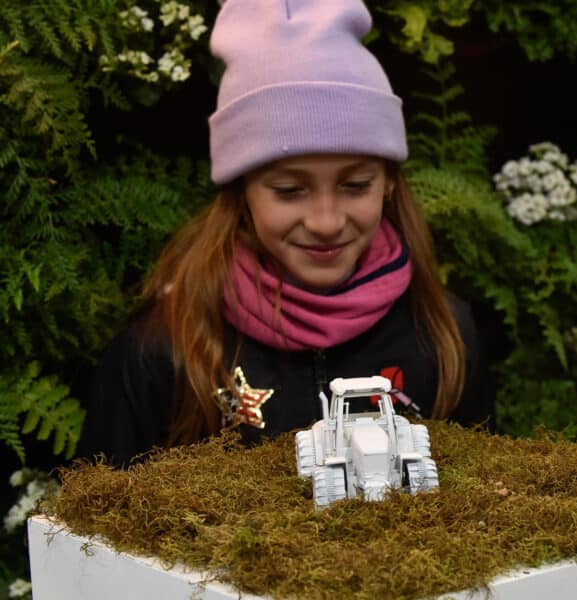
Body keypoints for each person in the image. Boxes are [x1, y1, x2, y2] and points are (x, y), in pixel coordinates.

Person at [79, 0, 495, 466]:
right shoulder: (165, 350)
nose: (325, 222)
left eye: (355, 185)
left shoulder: (444, 336)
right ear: (241, 191)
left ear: (390, 183)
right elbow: (89, 531)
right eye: (289, 190)